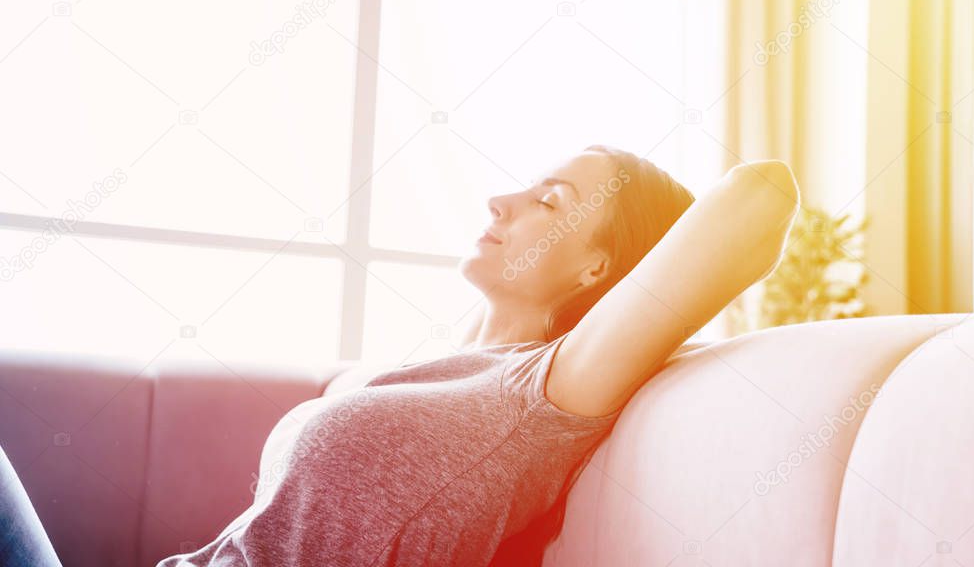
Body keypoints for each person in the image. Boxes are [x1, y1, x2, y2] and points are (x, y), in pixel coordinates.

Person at [0, 145, 799, 566]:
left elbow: (758, 198)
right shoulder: (437, 371)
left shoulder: (544, 392)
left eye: (550, 202)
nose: (501, 201)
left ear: (599, 270)